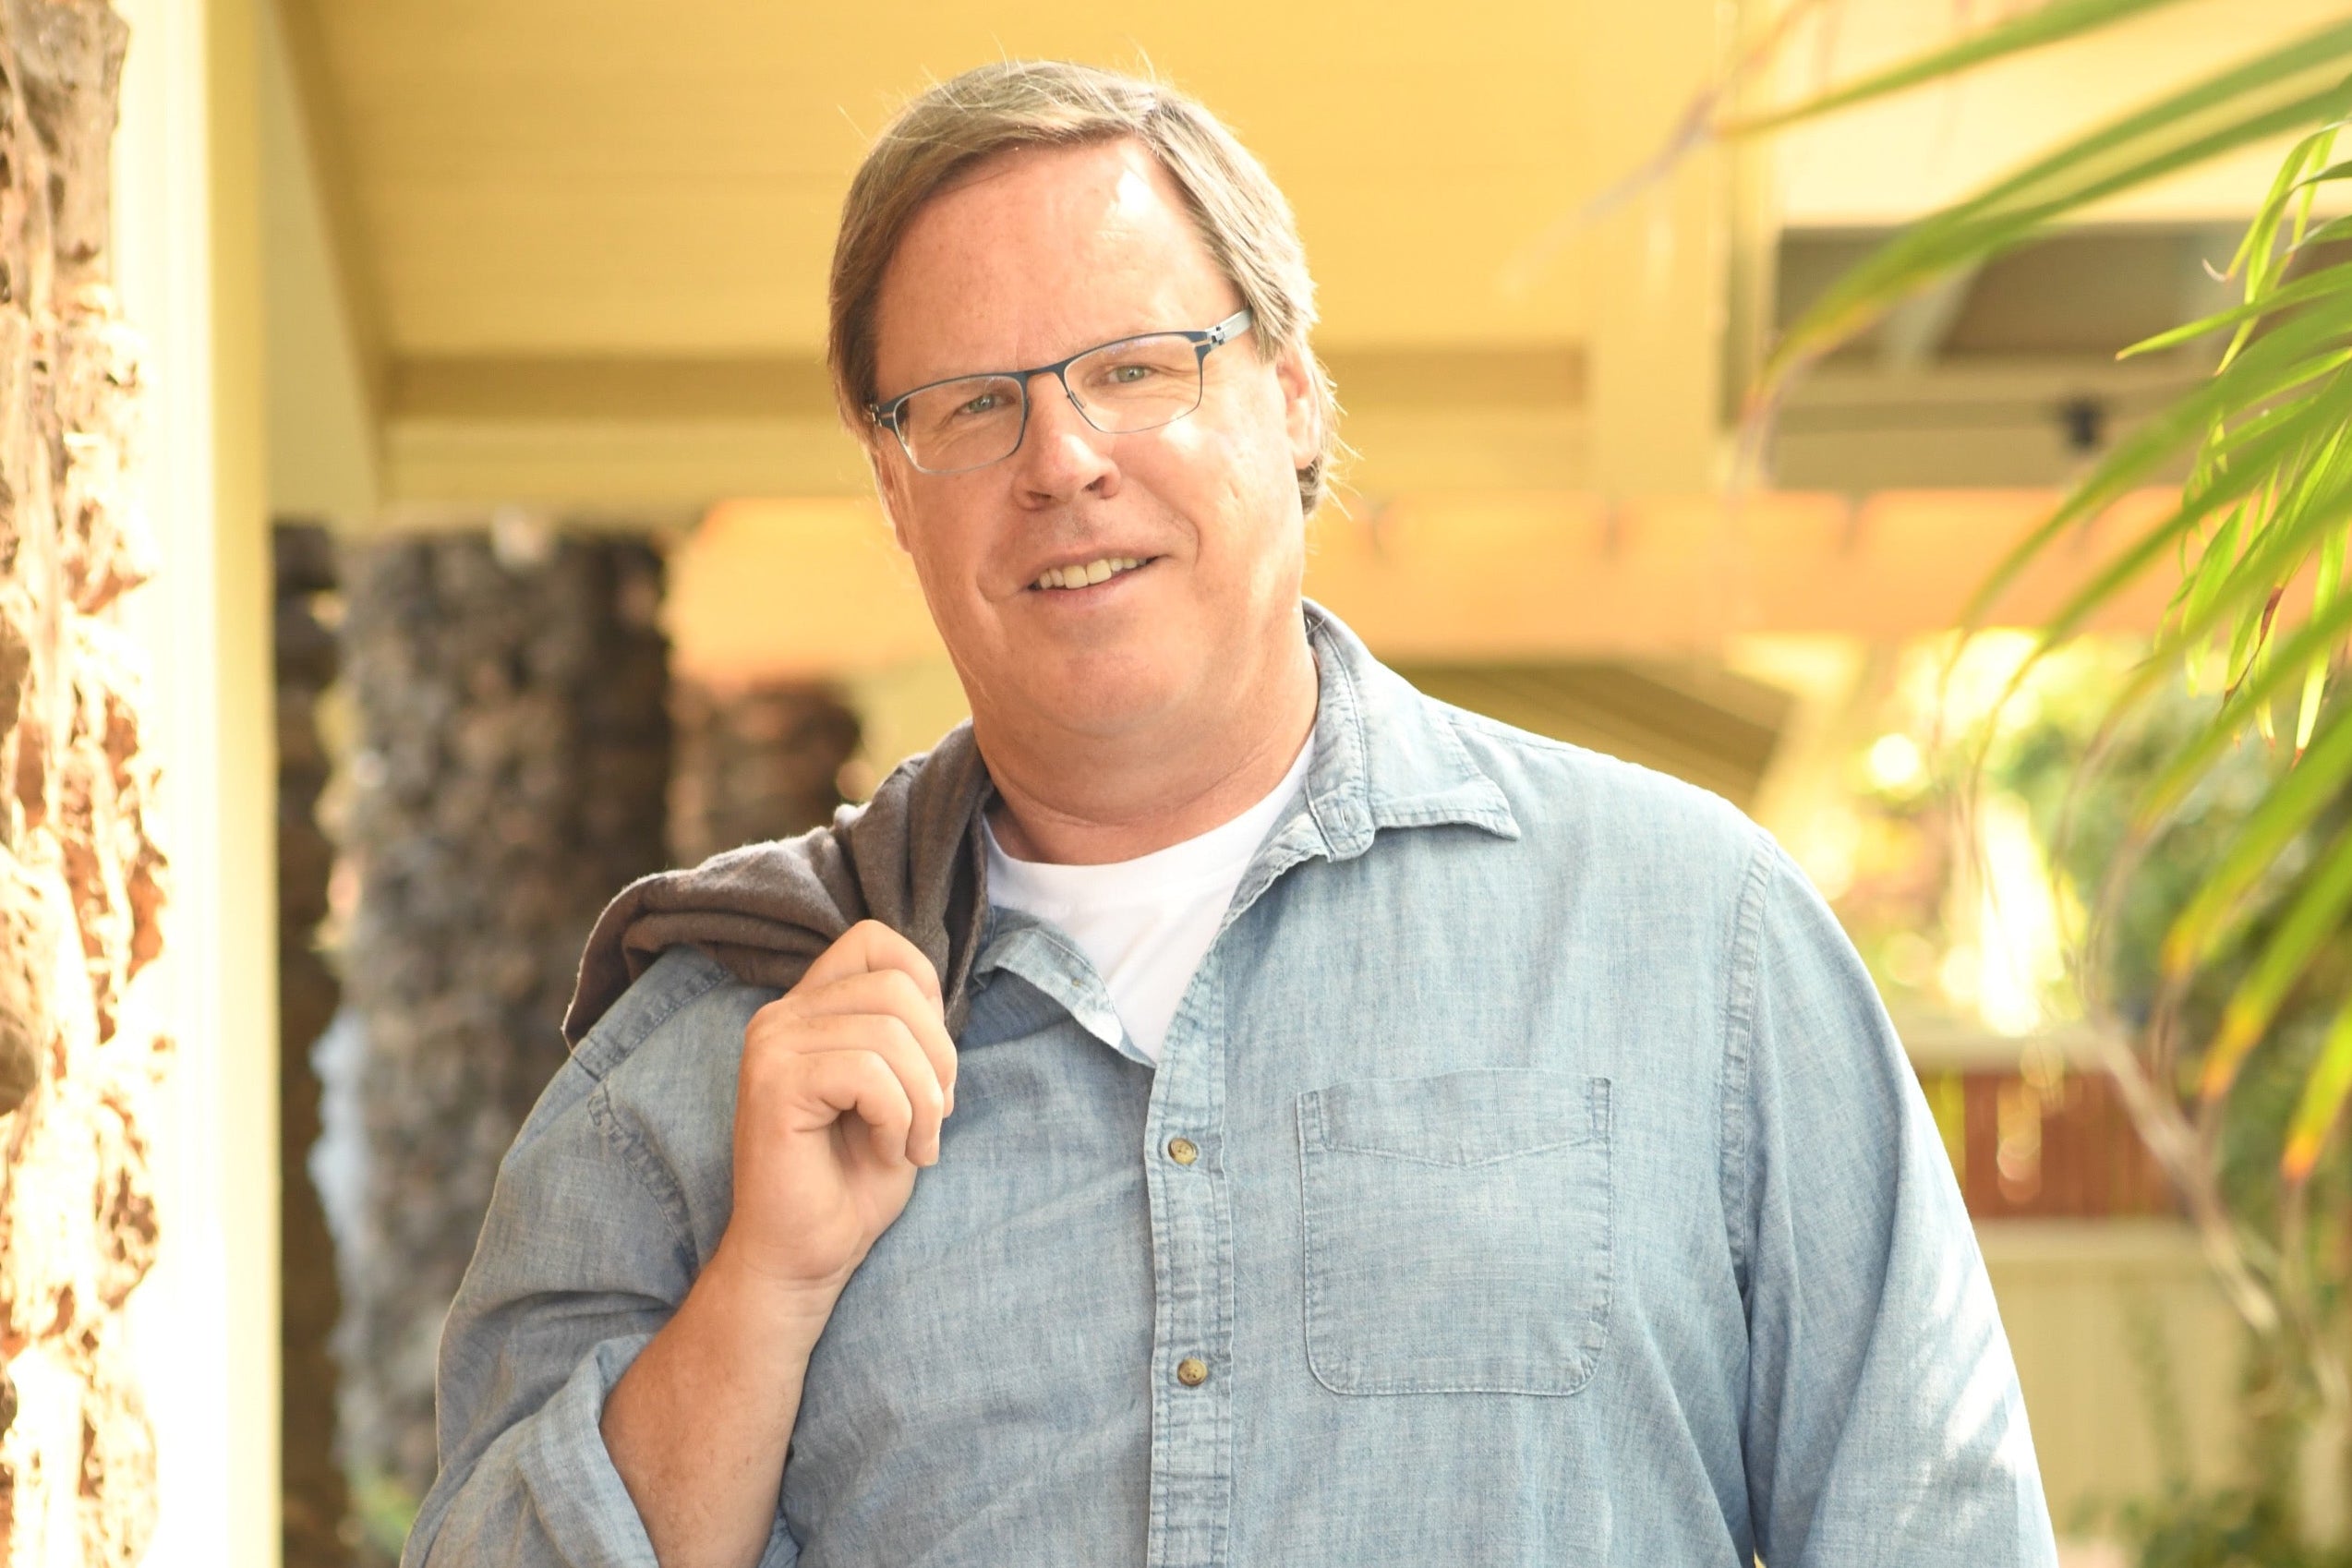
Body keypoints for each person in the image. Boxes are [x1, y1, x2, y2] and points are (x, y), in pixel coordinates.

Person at [404, 59, 2057, 1568]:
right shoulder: (702, 1051)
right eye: (973, 405)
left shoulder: (1699, 936)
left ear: (1292, 398)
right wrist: (762, 1294)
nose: (1062, 458)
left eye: (1137, 368)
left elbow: (1938, 1525)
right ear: (897, 493)